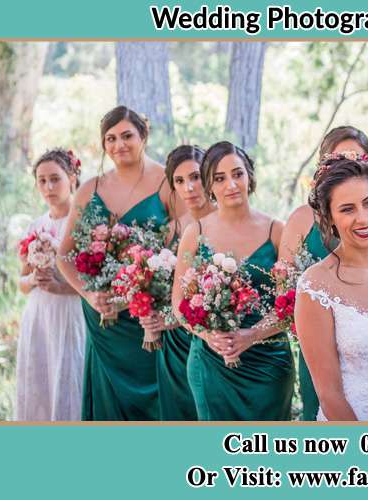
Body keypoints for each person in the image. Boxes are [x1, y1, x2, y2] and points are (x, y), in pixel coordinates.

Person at [279, 125, 368, 421]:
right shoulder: (316, 285)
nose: (363, 218)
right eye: (347, 209)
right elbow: (329, 394)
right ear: (329, 218)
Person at [58, 106, 172, 420]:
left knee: (157, 402)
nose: (118, 144)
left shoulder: (167, 182)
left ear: (143, 136)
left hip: (147, 318)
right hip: (103, 318)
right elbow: (64, 254)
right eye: (110, 138)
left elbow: (180, 250)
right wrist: (89, 294)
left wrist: (139, 295)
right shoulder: (89, 189)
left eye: (126, 136)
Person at [172, 141, 294, 420]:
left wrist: (251, 335)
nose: (231, 184)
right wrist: (209, 336)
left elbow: (289, 306)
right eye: (219, 178)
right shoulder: (195, 233)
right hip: (211, 363)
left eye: (237, 174)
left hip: (269, 365)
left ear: (249, 175)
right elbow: (179, 304)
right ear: (209, 185)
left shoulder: (277, 231)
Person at [139, 145, 214, 421]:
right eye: (179, 181)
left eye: (195, 177)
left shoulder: (226, 223)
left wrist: (172, 319)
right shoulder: (172, 229)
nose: (189, 187)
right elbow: (163, 286)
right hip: (174, 346)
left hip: (213, 340)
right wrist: (151, 313)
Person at [16, 148, 86, 421]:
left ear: (72, 178)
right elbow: (21, 284)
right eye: (42, 181)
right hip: (39, 314)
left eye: (55, 179)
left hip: (70, 312)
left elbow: (93, 284)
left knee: (69, 376)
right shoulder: (35, 225)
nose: (48, 187)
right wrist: (34, 278)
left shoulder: (82, 223)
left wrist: (61, 286)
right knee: (40, 380)